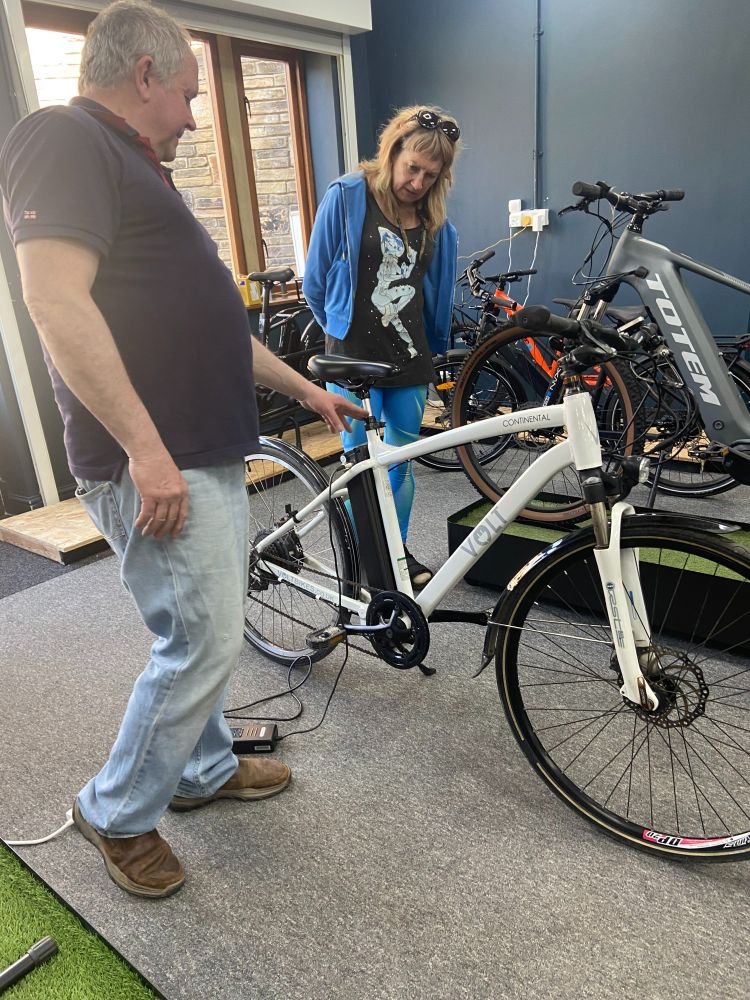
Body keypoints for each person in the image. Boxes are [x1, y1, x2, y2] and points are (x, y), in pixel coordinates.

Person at [0, 0, 363, 899]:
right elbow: (56, 304)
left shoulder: (137, 169)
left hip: (197, 446)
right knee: (200, 640)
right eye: (192, 95)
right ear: (148, 74)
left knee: (193, 626)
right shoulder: (63, 136)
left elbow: (212, 329)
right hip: (152, 460)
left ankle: (198, 772)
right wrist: (145, 452)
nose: (197, 118)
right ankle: (115, 812)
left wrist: (307, 389)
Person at [303, 106, 460, 588]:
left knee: (399, 464)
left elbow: (434, 296)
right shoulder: (347, 197)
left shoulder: (436, 222)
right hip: (351, 359)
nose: (418, 182)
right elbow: (314, 280)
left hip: (409, 359)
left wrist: (435, 352)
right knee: (360, 469)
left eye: (430, 176)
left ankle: (393, 555)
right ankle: (362, 560)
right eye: (413, 167)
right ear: (392, 151)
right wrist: (340, 335)